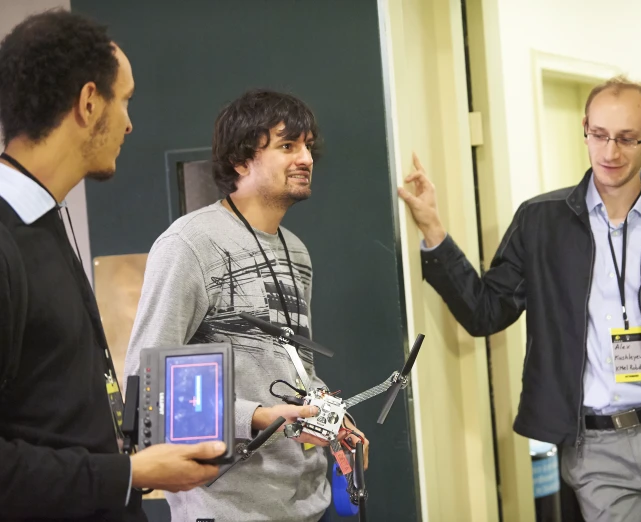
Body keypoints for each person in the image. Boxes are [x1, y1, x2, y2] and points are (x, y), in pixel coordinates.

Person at [398, 75, 641, 522]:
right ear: (584, 127)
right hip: (594, 444)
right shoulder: (539, 222)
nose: (610, 152)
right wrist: (434, 230)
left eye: (627, 139)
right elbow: (485, 311)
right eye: (599, 135)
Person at [0, 10, 226, 521]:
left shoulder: (43, 221)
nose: (128, 122)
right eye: (123, 99)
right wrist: (133, 473)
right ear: (87, 103)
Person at [124, 88, 369, 522]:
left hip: (306, 503)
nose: (306, 159)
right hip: (227, 507)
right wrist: (256, 416)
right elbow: (146, 380)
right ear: (241, 161)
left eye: (308, 146)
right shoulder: (190, 244)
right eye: (287, 146)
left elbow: (294, 367)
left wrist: (329, 418)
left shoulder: (296, 251)